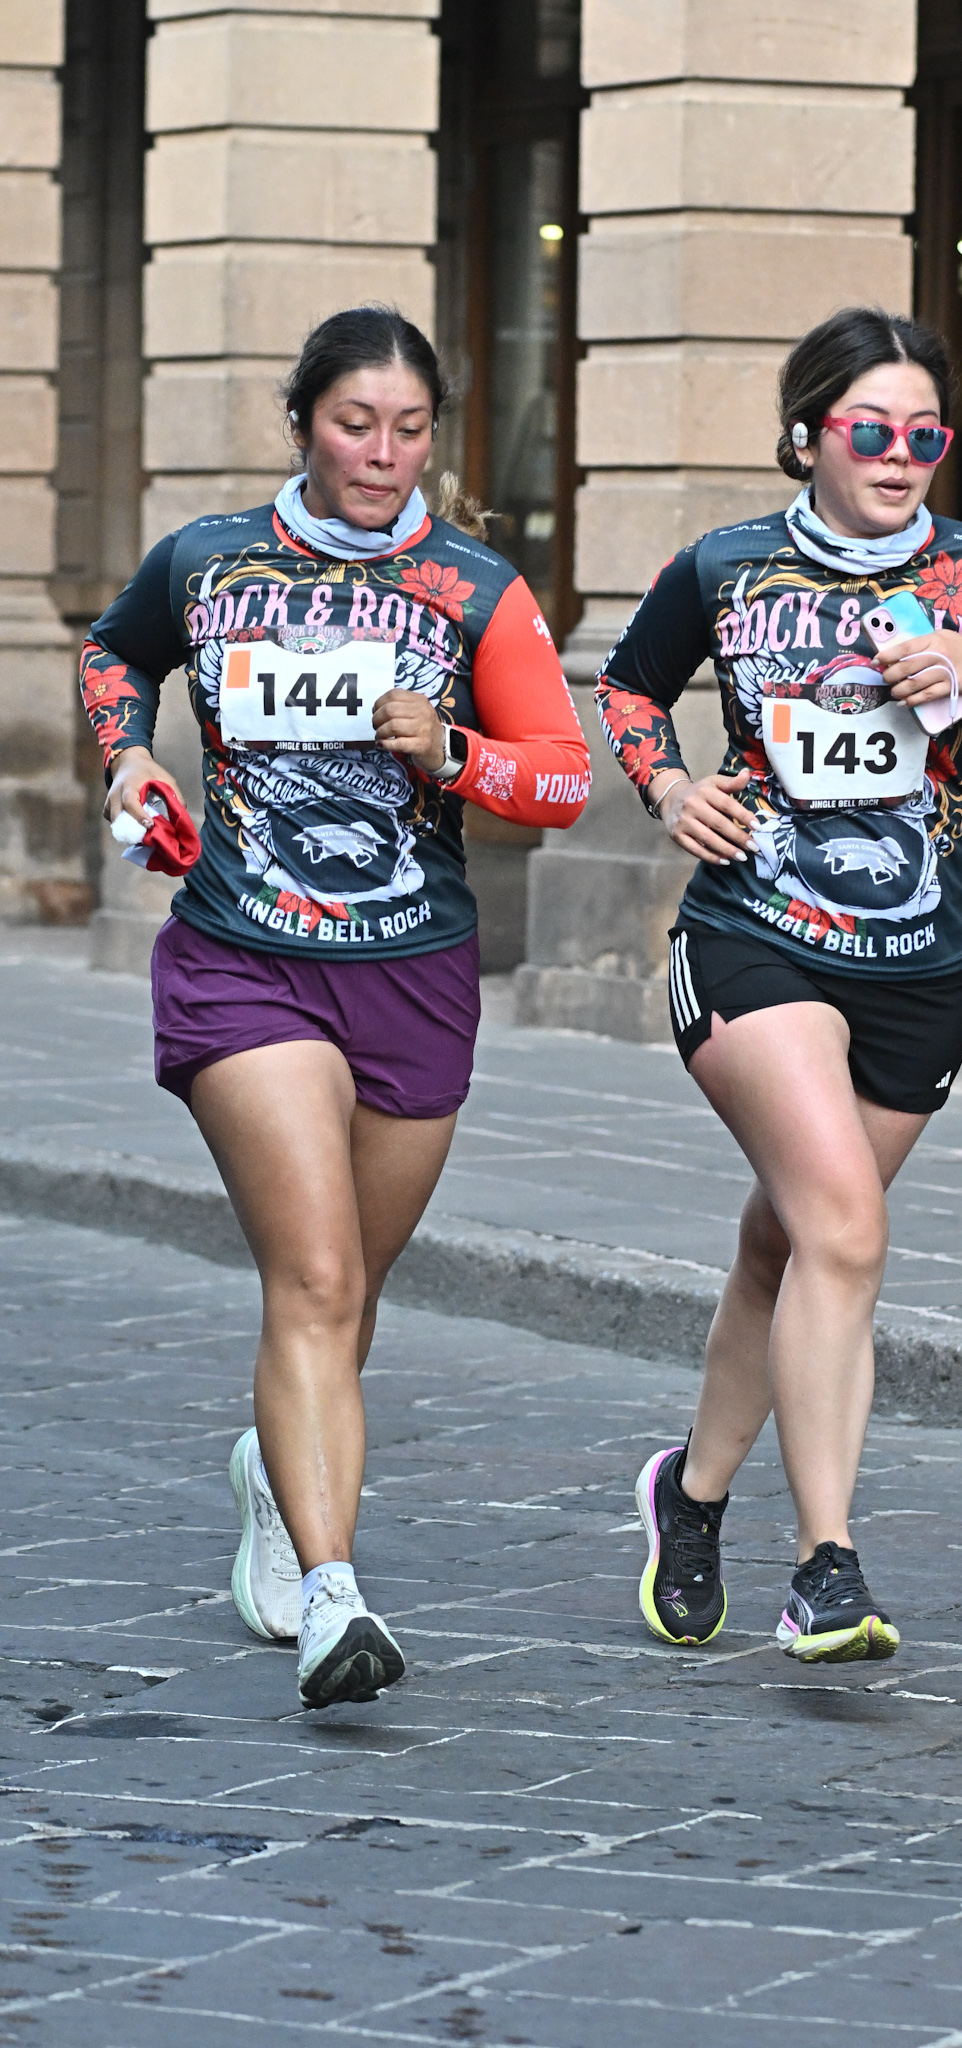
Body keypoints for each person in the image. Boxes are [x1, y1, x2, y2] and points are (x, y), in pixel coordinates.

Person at [81, 306, 590, 1708]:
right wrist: (129, 762)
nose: (381, 453)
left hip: (414, 974)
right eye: (355, 424)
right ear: (304, 423)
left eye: (409, 429)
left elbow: (562, 777)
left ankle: (275, 1471)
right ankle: (333, 1597)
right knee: (311, 1279)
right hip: (245, 957)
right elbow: (113, 655)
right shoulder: (209, 560)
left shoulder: (474, 589)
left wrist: (460, 750)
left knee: (348, 1291)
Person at [598, 306, 962, 1664]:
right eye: (869, 430)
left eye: (924, 437)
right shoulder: (726, 565)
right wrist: (670, 790)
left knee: (789, 1242)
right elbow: (631, 688)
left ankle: (689, 1495)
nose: (898, 458)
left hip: (917, 969)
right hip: (753, 936)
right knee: (843, 1228)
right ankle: (824, 1566)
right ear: (806, 437)